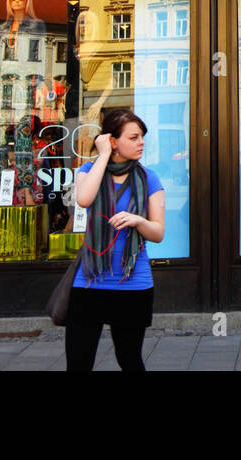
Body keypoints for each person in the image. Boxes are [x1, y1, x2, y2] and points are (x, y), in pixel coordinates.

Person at [66, 109, 166, 371]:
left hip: (133, 283)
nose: (141, 142)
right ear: (113, 141)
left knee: (130, 361)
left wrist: (138, 221)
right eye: (133, 137)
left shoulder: (148, 178)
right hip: (89, 282)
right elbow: (84, 199)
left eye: (142, 137)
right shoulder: (90, 170)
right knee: (78, 363)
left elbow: (158, 233)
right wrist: (103, 156)